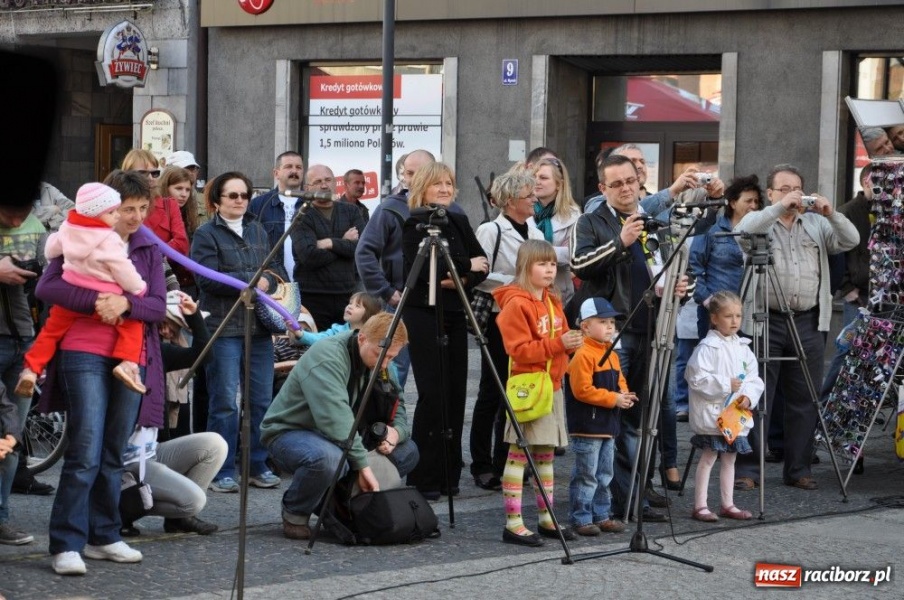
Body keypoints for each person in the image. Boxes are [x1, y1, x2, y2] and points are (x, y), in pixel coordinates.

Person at [36, 169, 167, 575]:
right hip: (83, 349)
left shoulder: (148, 246)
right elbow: (47, 287)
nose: (136, 217)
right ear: (108, 208)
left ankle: (104, 535)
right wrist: (100, 300)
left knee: (113, 451)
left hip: (131, 354)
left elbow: (157, 305)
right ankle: (66, 543)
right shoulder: (76, 234)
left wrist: (126, 305)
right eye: (128, 209)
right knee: (85, 448)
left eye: (143, 208)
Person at [571, 153, 692, 523]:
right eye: (616, 184)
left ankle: (636, 494)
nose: (625, 189)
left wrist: (681, 289)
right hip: (614, 333)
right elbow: (580, 266)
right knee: (614, 416)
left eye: (630, 181)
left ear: (640, 182)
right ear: (603, 188)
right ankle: (615, 500)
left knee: (640, 417)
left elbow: (670, 272)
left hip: (652, 328)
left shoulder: (656, 223)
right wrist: (620, 242)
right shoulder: (590, 221)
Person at [733, 163, 859, 491]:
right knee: (756, 396)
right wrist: (779, 208)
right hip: (764, 319)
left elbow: (851, 239)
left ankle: (798, 468)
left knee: (805, 398)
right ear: (770, 193)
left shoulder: (816, 223)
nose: (793, 195)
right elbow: (742, 232)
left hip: (808, 320)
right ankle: (748, 470)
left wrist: (831, 213)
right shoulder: (760, 221)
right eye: (784, 189)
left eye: (797, 189)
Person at [261, 312, 417, 540]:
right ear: (362, 338)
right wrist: (363, 466)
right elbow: (336, 420)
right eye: (380, 355)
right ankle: (296, 511)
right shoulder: (328, 355)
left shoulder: (383, 360)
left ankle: (332, 496)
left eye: (392, 357)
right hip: (291, 432)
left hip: (346, 436)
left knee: (408, 451)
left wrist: (396, 433)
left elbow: (398, 403)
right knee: (329, 459)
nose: (384, 364)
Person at [191, 171, 286, 493]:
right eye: (232, 195)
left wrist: (268, 280)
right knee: (224, 402)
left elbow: (276, 271)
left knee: (260, 399)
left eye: (245, 195)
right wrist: (252, 280)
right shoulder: (206, 234)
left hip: (258, 327)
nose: (240, 201)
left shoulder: (258, 229)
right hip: (223, 327)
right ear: (217, 200)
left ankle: (257, 464)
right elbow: (206, 278)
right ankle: (220, 469)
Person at [401, 162, 488, 500]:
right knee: (432, 391)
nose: (444, 189)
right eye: (437, 183)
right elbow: (426, 273)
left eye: (449, 183)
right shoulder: (414, 224)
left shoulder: (458, 221)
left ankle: (450, 474)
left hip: (453, 311)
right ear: (422, 187)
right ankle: (425, 476)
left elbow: (483, 264)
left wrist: (459, 277)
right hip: (423, 313)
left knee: (455, 392)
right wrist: (464, 268)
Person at [16, 183, 149, 398]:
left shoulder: (68, 227)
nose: (116, 216)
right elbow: (123, 269)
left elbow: (50, 249)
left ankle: (31, 370)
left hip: (72, 295)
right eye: (112, 212)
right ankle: (128, 364)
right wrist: (139, 288)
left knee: (50, 333)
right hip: (107, 296)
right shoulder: (109, 239)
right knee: (133, 325)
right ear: (97, 214)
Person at [492, 239, 581, 546]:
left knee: (545, 455)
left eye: (553, 264)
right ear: (525, 266)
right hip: (528, 388)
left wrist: (573, 344)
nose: (550, 269)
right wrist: (559, 345)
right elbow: (518, 350)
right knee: (519, 455)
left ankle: (546, 518)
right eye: (542, 264)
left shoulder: (553, 300)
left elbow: (562, 339)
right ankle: (513, 524)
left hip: (552, 386)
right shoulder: (516, 304)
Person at [121, 291, 226, 537]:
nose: (164, 332)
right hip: (124, 462)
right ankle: (120, 509)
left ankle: (179, 520)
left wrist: (194, 317)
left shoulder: (157, 352)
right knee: (194, 500)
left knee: (215, 444)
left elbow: (203, 356)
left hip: (150, 453)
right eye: (159, 326)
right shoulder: (115, 355)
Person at [469, 169, 544, 492]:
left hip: (529, 319)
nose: (535, 199)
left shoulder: (534, 229)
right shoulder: (491, 230)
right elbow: (479, 274)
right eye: (529, 195)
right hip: (500, 318)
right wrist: (516, 284)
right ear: (511, 200)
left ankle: (507, 460)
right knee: (492, 390)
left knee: (517, 391)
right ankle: (481, 464)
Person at [355, 150, 440, 391]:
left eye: (417, 173)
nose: (410, 179)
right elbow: (364, 252)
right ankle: (387, 414)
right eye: (407, 173)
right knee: (393, 369)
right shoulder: (390, 208)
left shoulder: (447, 209)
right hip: (400, 302)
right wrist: (386, 291)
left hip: (436, 302)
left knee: (434, 371)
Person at [685, 291, 764, 522]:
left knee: (730, 459)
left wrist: (748, 396)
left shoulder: (743, 347)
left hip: (734, 415)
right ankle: (700, 505)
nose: (734, 321)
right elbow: (695, 378)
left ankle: (727, 503)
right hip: (713, 415)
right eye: (728, 316)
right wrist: (725, 384)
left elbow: (754, 378)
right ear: (714, 318)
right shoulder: (707, 348)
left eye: (738, 316)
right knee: (708, 457)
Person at [564, 297, 634, 536]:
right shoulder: (583, 354)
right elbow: (582, 390)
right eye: (603, 322)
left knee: (605, 474)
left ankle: (602, 514)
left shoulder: (611, 353)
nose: (610, 327)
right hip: (588, 426)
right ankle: (581, 517)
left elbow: (620, 380)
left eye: (612, 322)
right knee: (587, 474)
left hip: (607, 425)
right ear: (585, 326)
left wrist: (625, 394)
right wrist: (614, 398)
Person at [292, 164, 366, 331]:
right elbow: (309, 256)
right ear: (307, 188)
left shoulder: (352, 211)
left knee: (346, 344)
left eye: (328, 180)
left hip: (346, 295)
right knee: (315, 343)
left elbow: (359, 248)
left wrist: (329, 243)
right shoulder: (302, 216)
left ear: (335, 182)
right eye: (318, 181)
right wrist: (343, 242)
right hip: (312, 297)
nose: (324, 185)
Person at [690, 174, 764, 340]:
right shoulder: (713, 230)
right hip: (717, 313)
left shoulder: (760, 234)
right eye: (748, 201)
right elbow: (693, 267)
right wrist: (709, 301)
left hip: (749, 312)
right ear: (733, 203)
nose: (753, 206)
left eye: (756, 201)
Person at [248, 151, 305, 281]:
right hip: (272, 280)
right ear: (276, 173)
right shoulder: (258, 205)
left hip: (307, 281)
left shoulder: (311, 205)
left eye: (298, 167)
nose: (294, 171)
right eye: (288, 166)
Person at [532, 157, 580, 305]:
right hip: (528, 290)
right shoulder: (525, 209)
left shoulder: (573, 215)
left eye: (543, 178)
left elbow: (574, 253)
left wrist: (536, 253)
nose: (536, 181)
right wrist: (556, 251)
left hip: (558, 292)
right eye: (534, 177)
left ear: (559, 184)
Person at [158, 166, 201, 294]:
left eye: (187, 190)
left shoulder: (190, 215)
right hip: (164, 283)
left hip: (190, 284)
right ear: (166, 188)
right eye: (178, 188)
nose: (184, 194)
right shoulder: (156, 214)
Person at [288, 291, 381, 348]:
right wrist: (300, 334)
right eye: (350, 303)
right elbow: (319, 339)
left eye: (357, 306)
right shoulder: (337, 331)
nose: (350, 307)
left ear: (369, 314)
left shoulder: (373, 337)